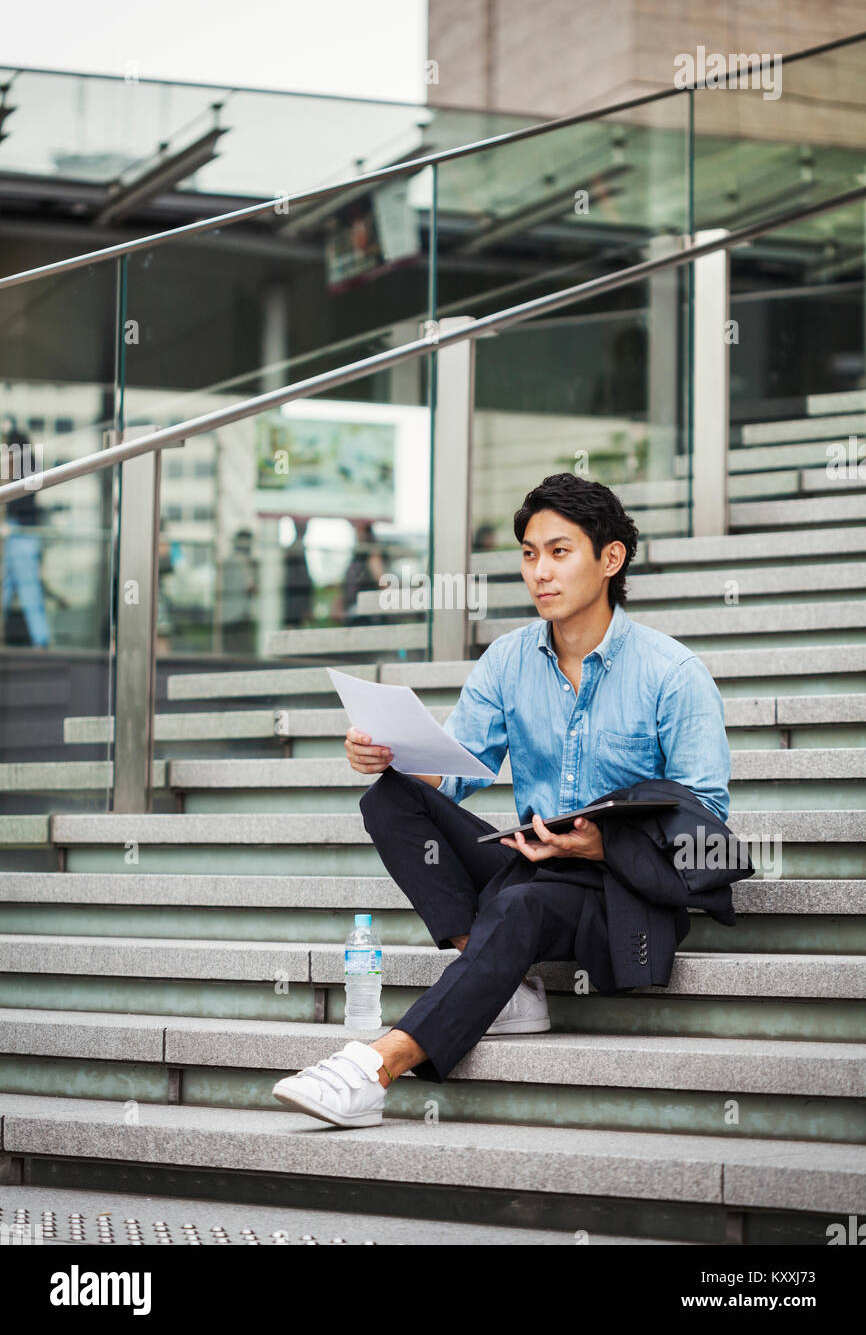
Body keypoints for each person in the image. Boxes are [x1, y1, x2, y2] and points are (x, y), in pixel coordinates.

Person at [272, 472, 731, 1127]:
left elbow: (707, 822)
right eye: (528, 554)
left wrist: (603, 842)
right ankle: (507, 986)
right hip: (533, 865)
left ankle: (376, 1068)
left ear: (610, 558)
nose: (539, 571)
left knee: (522, 902)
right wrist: (390, 757)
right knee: (389, 799)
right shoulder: (508, 660)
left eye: (559, 551)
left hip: (618, 890)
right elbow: (452, 772)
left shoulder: (672, 675)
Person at [1, 427, 51, 647]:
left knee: (28, 590)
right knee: (8, 586)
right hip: (20, 533)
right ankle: (41, 640)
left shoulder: (21, 466)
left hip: (20, 534)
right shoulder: (30, 466)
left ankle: (42, 640)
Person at [337, 521, 387, 625]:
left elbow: (382, 582)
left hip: (366, 613)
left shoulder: (371, 553)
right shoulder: (360, 553)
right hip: (357, 611)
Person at [282, 518, 314, 628]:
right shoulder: (295, 550)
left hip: (294, 604)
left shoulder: (296, 548)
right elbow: (302, 580)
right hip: (293, 605)